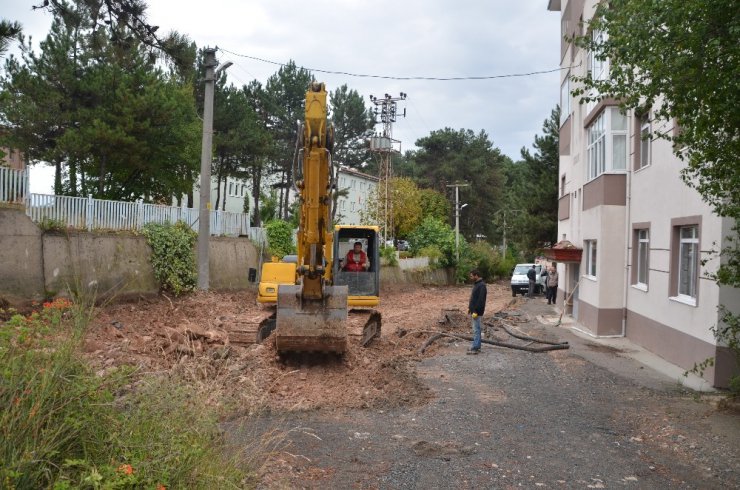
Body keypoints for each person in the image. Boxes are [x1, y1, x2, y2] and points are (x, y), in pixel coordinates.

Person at [467, 269, 487, 354]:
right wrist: (470, 308)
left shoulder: (482, 285)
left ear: (476, 276)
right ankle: (476, 346)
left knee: (476, 330)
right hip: (474, 311)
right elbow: (473, 298)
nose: (470, 277)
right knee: (476, 329)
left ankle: (475, 347)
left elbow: (481, 300)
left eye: (471, 276)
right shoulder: (477, 284)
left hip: (477, 312)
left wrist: (475, 311)